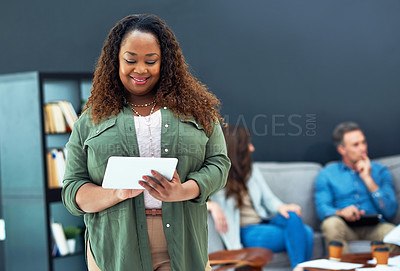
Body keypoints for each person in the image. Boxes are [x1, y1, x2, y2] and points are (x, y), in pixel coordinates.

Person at [61, 14, 230, 271]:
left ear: (166, 63)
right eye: (130, 60)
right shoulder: (90, 119)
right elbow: (72, 190)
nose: (140, 69)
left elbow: (219, 164)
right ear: (114, 61)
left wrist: (184, 190)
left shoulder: (198, 111)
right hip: (115, 245)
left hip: (183, 242)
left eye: (151, 61)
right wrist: (116, 193)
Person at [208, 125, 314, 271]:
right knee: (306, 233)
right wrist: (212, 205)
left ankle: (298, 268)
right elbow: (191, 196)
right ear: (238, 148)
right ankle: (301, 268)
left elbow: (268, 198)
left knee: (293, 215)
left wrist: (281, 207)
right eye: (248, 144)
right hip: (247, 231)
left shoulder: (251, 170)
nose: (252, 148)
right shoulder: (217, 175)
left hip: (263, 221)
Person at [314, 121, 398, 254]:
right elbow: (322, 209)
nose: (362, 148)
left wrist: (368, 179)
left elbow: (390, 211)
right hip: (345, 227)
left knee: (394, 235)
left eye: (363, 142)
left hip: (374, 227)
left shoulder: (380, 171)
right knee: (330, 225)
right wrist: (341, 212)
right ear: (342, 150)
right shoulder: (327, 174)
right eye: (356, 145)